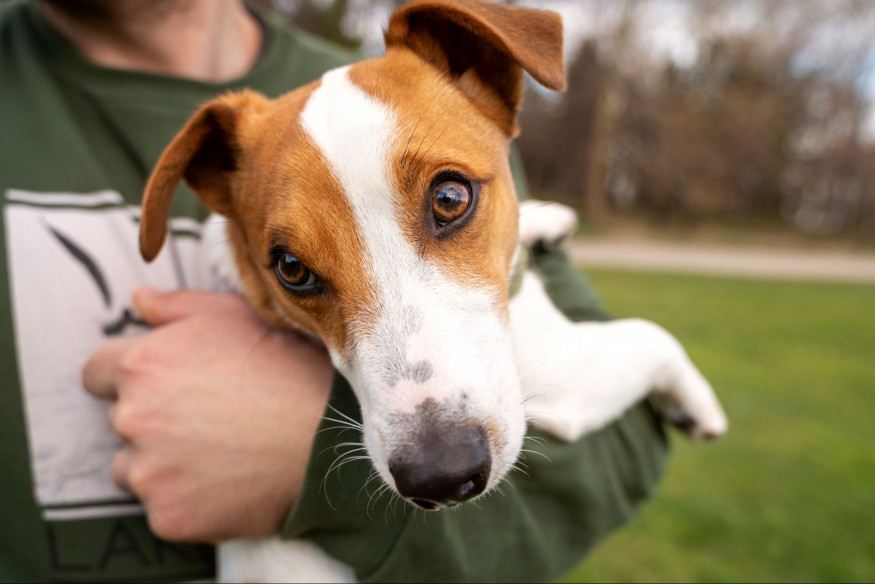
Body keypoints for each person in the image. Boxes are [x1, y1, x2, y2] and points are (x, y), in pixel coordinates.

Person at [0, 0, 668, 581]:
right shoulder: (257, 152)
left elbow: (631, 442)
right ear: (214, 187)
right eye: (298, 270)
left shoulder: (433, 99)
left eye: (449, 200)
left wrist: (305, 463)